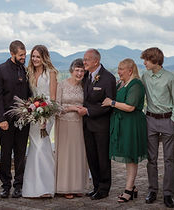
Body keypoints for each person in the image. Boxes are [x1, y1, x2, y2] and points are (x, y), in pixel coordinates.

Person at [141, 47, 174, 208]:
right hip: (150, 120)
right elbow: (137, 90)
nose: (144, 63)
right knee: (151, 159)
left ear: (155, 60)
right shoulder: (145, 76)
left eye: (146, 60)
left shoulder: (171, 77)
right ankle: (152, 190)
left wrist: (173, 120)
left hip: (167, 120)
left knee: (169, 159)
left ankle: (168, 194)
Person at [102, 58, 147, 203]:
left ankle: (128, 190)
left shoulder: (136, 84)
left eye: (121, 69)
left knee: (131, 156)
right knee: (127, 157)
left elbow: (130, 107)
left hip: (132, 125)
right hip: (122, 123)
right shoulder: (121, 83)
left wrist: (112, 103)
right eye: (118, 69)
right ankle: (132, 187)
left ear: (130, 70)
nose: (119, 72)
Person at [77, 49, 116, 200]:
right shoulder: (87, 76)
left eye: (87, 60)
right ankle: (96, 186)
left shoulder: (108, 78)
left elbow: (108, 104)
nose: (84, 62)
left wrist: (88, 111)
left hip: (101, 126)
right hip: (87, 125)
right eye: (84, 59)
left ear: (96, 61)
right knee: (92, 157)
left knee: (102, 158)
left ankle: (104, 188)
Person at [0, 40, 31, 198]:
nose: (24, 57)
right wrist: (0, 118)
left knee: (21, 153)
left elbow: (30, 93)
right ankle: (5, 185)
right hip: (6, 120)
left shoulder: (26, 70)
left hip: (24, 119)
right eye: (21, 55)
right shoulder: (0, 70)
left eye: (25, 54)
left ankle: (19, 185)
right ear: (12, 54)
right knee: (6, 153)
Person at [22, 45, 58, 198]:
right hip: (33, 115)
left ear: (44, 57)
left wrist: (45, 115)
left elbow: (53, 98)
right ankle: (33, 187)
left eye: (38, 56)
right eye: (33, 56)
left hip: (47, 114)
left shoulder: (51, 73)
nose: (35, 59)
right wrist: (31, 109)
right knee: (34, 147)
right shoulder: (29, 72)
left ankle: (45, 187)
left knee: (42, 145)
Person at [55, 58, 89, 199]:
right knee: (65, 155)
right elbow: (56, 107)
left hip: (79, 124)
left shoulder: (85, 86)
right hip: (63, 123)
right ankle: (64, 187)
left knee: (79, 155)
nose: (79, 73)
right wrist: (71, 108)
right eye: (77, 70)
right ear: (71, 70)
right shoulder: (61, 85)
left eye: (82, 70)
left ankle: (77, 186)